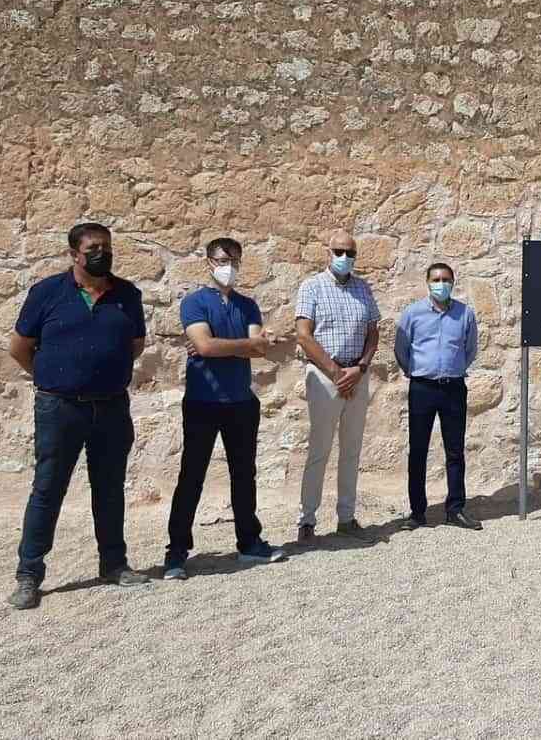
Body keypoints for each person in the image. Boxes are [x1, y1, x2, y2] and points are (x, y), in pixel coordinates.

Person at [7, 223, 149, 609]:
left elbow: (135, 345)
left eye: (107, 247)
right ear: (74, 254)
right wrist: (51, 378)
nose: (102, 254)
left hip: (111, 406)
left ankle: (114, 564)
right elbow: (19, 347)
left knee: (110, 488)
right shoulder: (47, 292)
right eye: (93, 249)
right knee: (48, 488)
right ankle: (28, 575)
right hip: (59, 408)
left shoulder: (127, 295)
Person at [162, 238, 286, 581]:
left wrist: (225, 346)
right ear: (208, 263)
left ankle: (249, 542)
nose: (227, 266)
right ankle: (176, 552)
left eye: (233, 260)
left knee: (244, 475)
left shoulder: (248, 305)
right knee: (192, 476)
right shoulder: (194, 302)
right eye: (221, 260)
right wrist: (243, 344)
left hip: (241, 402)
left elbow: (258, 351)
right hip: (202, 401)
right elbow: (205, 345)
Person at [294, 230, 381, 544]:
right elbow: (304, 335)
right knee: (319, 449)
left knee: (352, 450)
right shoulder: (312, 287)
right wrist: (335, 373)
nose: (345, 257)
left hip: (357, 374)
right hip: (324, 375)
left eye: (350, 252)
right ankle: (307, 520)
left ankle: (346, 517)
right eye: (339, 251)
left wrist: (360, 368)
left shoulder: (363, 288)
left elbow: (373, 332)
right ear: (328, 253)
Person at [394, 263, 482, 531]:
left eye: (445, 279)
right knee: (418, 450)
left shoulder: (465, 314)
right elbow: (401, 349)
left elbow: (470, 349)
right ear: (427, 282)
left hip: (453, 388)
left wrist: (454, 369)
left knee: (455, 450)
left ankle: (455, 509)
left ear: (453, 282)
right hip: (422, 388)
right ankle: (417, 512)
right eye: (436, 279)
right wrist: (415, 371)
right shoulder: (413, 313)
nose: (440, 284)